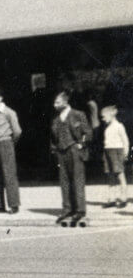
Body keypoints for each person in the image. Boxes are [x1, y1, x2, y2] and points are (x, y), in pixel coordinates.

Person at [49, 90, 92, 224]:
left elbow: (88, 132)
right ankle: (67, 209)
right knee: (64, 181)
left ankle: (80, 210)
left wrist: (81, 144)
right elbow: (53, 138)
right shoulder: (56, 120)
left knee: (77, 180)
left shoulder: (78, 115)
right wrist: (54, 150)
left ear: (65, 102)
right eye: (55, 102)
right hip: (61, 152)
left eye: (58, 102)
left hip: (74, 150)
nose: (55, 105)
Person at [97, 105, 129, 208]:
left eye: (104, 116)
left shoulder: (119, 126)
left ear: (111, 114)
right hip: (108, 151)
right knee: (110, 175)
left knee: (120, 175)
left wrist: (126, 152)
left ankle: (123, 198)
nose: (103, 119)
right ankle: (112, 198)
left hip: (117, 151)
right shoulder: (107, 128)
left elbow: (125, 140)